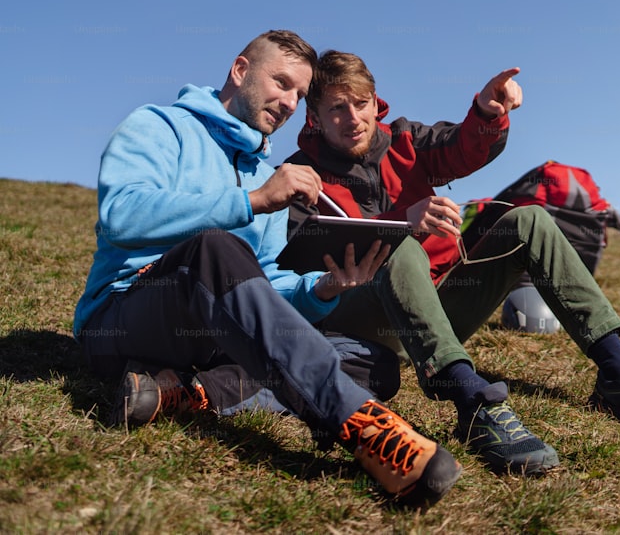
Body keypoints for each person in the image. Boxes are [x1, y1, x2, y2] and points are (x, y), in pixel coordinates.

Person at [72, 31, 461, 507]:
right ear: (240, 70)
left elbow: (264, 281)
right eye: (281, 83)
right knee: (214, 249)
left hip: (213, 338)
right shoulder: (159, 126)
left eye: (298, 94)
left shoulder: (267, 173)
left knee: (371, 359)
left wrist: (320, 289)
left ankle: (187, 395)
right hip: (125, 315)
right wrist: (251, 202)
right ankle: (360, 425)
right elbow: (121, 215)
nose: (289, 102)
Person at [283, 49, 620, 476]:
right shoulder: (299, 174)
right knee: (402, 246)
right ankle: (472, 402)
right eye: (337, 108)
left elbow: (462, 148)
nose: (353, 117)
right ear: (313, 116)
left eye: (361, 102)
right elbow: (306, 256)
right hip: (363, 320)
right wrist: (400, 223)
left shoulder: (405, 139)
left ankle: (618, 372)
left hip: (436, 307)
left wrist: (486, 112)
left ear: (376, 102)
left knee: (529, 219)